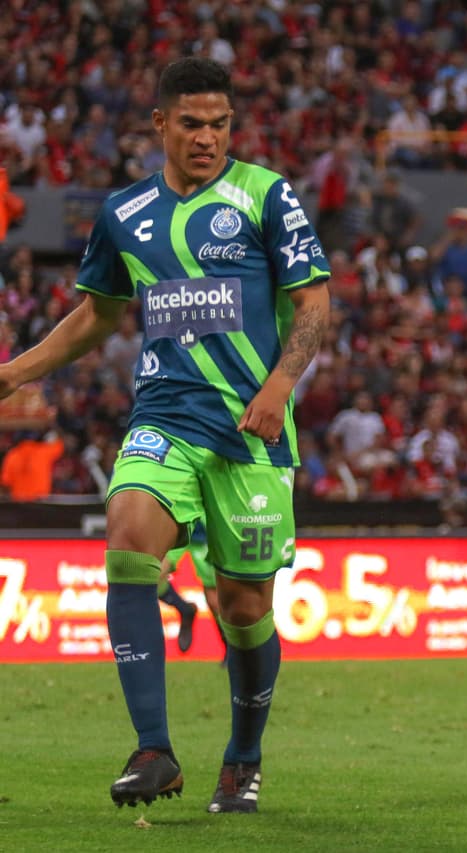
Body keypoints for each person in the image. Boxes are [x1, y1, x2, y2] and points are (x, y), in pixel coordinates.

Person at [0, 57, 330, 814]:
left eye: (219, 124)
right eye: (191, 123)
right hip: (164, 418)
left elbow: (313, 303)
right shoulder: (124, 212)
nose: (208, 137)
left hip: (250, 431)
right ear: (161, 126)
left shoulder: (263, 195)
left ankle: (242, 757)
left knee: (244, 609)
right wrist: (18, 371)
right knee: (127, 533)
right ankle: (154, 749)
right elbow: (97, 314)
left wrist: (281, 386)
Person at [158, 518, 228, 664]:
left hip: (204, 532)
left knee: (215, 599)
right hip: (178, 524)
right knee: (153, 577)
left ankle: (231, 648)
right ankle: (185, 609)